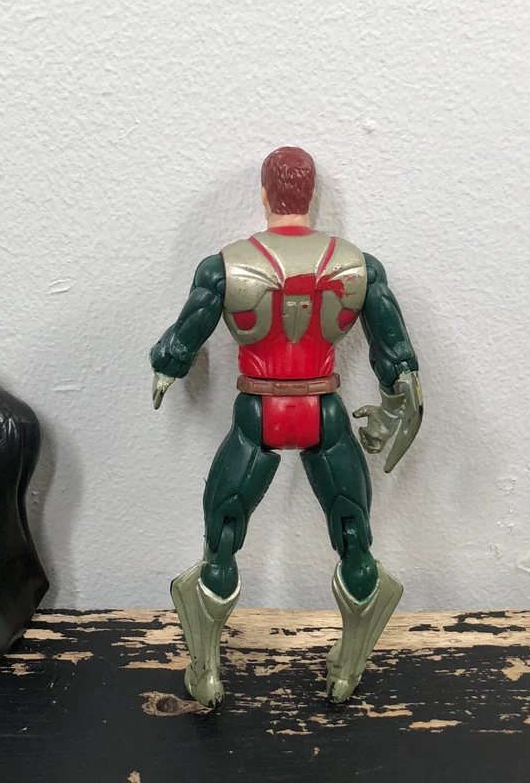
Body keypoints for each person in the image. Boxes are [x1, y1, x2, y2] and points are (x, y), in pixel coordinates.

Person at [150, 146, 423, 706]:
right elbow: (394, 349)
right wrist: (400, 398)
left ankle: (206, 672)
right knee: (353, 536)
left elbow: (190, 327)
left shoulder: (225, 266)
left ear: (264, 194)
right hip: (324, 412)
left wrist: (168, 364)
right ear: (311, 195)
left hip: (259, 414)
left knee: (223, 538)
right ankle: (348, 670)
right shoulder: (358, 267)